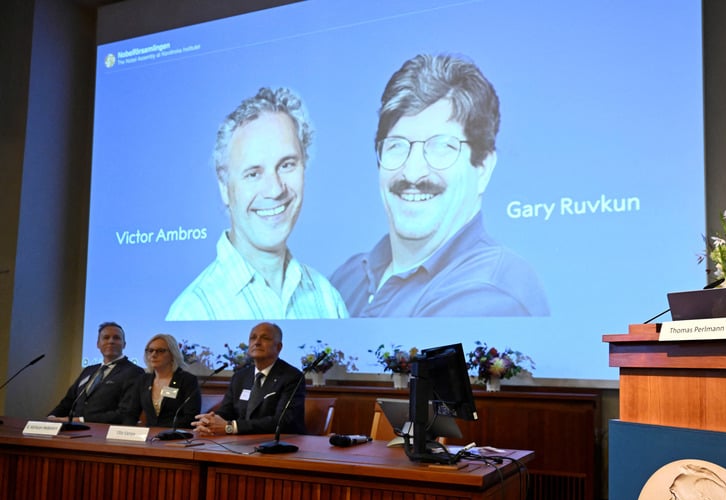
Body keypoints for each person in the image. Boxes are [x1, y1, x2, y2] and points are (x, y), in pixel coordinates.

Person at [330, 53, 549, 317]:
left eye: (441, 146)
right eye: (397, 146)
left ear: (483, 168)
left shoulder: (490, 291)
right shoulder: (348, 277)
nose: (413, 172)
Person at [166, 86, 348, 320]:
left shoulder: (326, 298)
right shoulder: (193, 312)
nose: (275, 189)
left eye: (287, 165)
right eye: (253, 173)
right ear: (224, 186)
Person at [191, 322, 304, 436]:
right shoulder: (240, 377)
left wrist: (232, 427)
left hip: (277, 443)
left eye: (265, 338)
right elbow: (226, 411)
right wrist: (211, 420)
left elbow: (282, 421)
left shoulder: (292, 377)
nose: (257, 342)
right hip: (240, 442)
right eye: (253, 338)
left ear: (278, 347)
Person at [48, 322, 144, 424]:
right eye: (106, 337)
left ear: (124, 344)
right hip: (72, 430)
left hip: (103, 433)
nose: (111, 341)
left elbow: (125, 413)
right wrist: (52, 417)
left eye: (116, 338)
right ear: (98, 344)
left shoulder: (134, 372)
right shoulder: (88, 370)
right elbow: (68, 401)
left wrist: (81, 420)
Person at [119, 334, 200, 427]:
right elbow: (131, 413)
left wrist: (164, 432)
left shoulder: (187, 380)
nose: (153, 355)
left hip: (176, 436)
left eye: (160, 351)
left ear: (173, 354)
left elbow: (190, 416)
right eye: (150, 350)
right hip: (149, 436)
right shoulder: (143, 380)